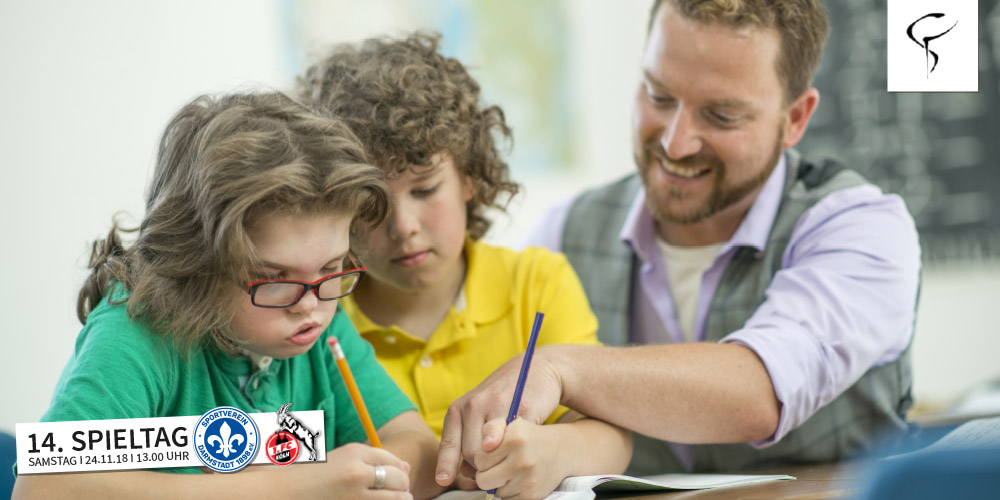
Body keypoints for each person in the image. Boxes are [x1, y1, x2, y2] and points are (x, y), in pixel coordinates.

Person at [434, 0, 921, 479]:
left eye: (721, 115)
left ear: (795, 117)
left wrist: (561, 368)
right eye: (658, 96)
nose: (674, 142)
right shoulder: (564, 234)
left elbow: (761, 391)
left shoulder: (861, 228)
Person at [12, 92, 444, 499]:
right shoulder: (137, 330)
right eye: (275, 276)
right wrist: (290, 489)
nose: (310, 304)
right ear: (196, 264)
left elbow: (421, 450)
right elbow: (45, 487)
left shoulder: (320, 321)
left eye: (332, 269)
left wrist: (366, 475)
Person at [297, 32, 633, 498]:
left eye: (425, 188)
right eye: (370, 204)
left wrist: (557, 449)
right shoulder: (313, 319)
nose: (403, 226)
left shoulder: (536, 282)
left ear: (469, 177)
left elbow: (611, 432)